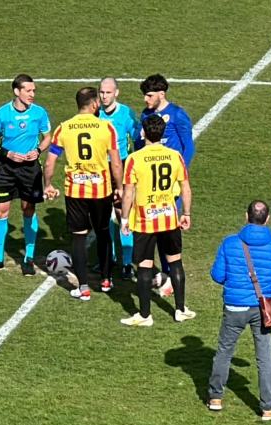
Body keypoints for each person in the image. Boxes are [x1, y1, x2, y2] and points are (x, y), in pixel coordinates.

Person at [208, 200, 271, 421]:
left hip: (234, 306)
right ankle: (268, 407)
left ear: (246, 216)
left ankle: (215, 397)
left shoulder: (229, 244)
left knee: (224, 351)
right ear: (267, 219)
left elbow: (217, 275)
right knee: (265, 357)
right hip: (261, 307)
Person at [43, 87, 123, 299]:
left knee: (78, 237)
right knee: (104, 231)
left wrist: (48, 185)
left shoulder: (64, 128)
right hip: (101, 191)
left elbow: (51, 160)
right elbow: (115, 162)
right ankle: (106, 279)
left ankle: (84, 287)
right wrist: (121, 188)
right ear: (95, 103)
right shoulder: (106, 128)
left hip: (75, 191)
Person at [119, 115, 194, 326]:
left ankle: (144, 315)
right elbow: (186, 187)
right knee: (175, 262)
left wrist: (124, 219)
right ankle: (180, 309)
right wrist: (186, 214)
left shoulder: (135, 158)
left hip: (144, 221)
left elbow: (128, 193)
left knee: (144, 266)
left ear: (143, 133)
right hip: (169, 219)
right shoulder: (175, 156)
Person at [0, 74, 51, 276]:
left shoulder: (39, 113)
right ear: (17, 91)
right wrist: (6, 152)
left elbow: (48, 137)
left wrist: (37, 151)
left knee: (28, 209)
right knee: (1, 211)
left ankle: (28, 258)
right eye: (28, 90)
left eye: (34, 91)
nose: (32, 94)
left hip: (30, 169)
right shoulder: (1, 114)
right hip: (6, 168)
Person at [137, 74, 195, 296]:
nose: (146, 99)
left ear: (162, 94)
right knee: (154, 227)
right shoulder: (146, 115)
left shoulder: (178, 115)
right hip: (151, 184)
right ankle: (166, 275)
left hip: (171, 186)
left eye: (149, 95)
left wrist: (180, 175)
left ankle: (171, 274)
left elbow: (188, 147)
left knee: (167, 229)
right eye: (144, 95)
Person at [98, 77, 139, 280]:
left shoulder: (126, 113)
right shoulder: (94, 113)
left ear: (116, 93)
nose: (104, 96)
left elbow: (138, 137)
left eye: (108, 92)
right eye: (101, 92)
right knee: (102, 212)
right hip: (99, 167)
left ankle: (126, 263)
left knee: (123, 211)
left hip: (120, 165)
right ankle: (110, 257)